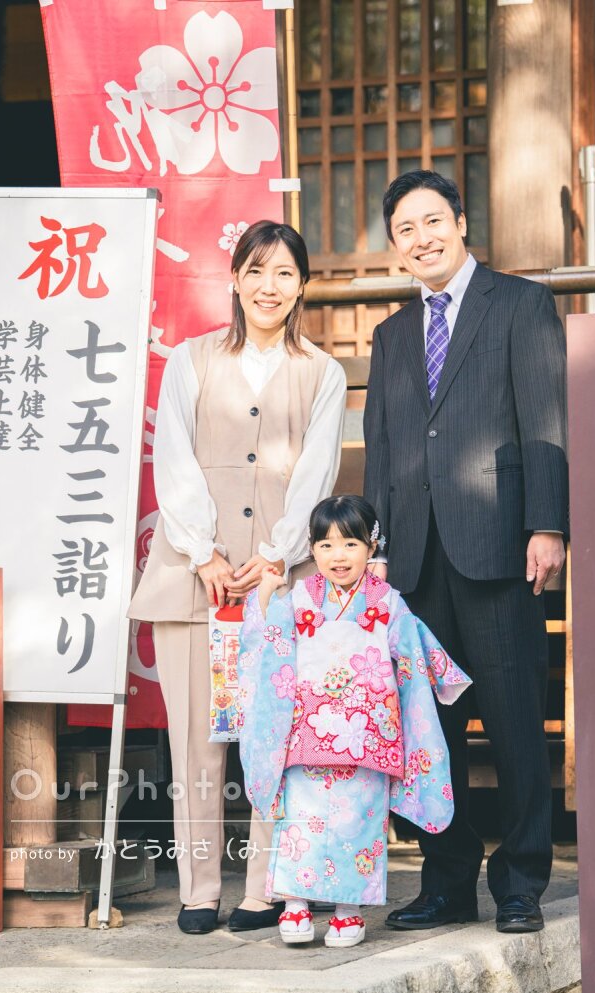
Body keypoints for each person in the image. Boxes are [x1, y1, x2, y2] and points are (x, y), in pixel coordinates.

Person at [363, 170, 568, 934]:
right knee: (431, 732)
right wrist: (377, 552)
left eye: (431, 221)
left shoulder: (518, 303)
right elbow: (381, 451)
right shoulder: (390, 335)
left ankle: (520, 881)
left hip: (499, 546)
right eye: (404, 230)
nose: (421, 239)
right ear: (395, 248)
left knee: (513, 722)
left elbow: (543, 419)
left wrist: (546, 525)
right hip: (415, 561)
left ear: (459, 221)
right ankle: (447, 882)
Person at [128, 221, 347, 934]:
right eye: (256, 270)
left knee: (273, 734)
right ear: (235, 279)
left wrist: (280, 553)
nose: (268, 286)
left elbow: (317, 469)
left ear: (302, 286)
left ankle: (264, 886)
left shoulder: (322, 372)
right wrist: (204, 552)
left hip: (279, 580)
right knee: (196, 740)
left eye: (284, 273)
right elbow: (173, 458)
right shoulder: (190, 359)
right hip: (196, 577)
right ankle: (198, 889)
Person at [237, 495, 471, 947]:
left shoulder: (388, 602)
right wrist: (264, 595)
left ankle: (348, 911)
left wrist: (439, 674)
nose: (337, 556)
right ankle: (295, 904)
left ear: (371, 547)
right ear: (312, 549)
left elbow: (411, 652)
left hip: (365, 736)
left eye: (350, 544)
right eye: (325, 545)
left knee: (358, 823)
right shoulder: (299, 598)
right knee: (300, 821)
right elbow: (268, 647)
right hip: (307, 733)